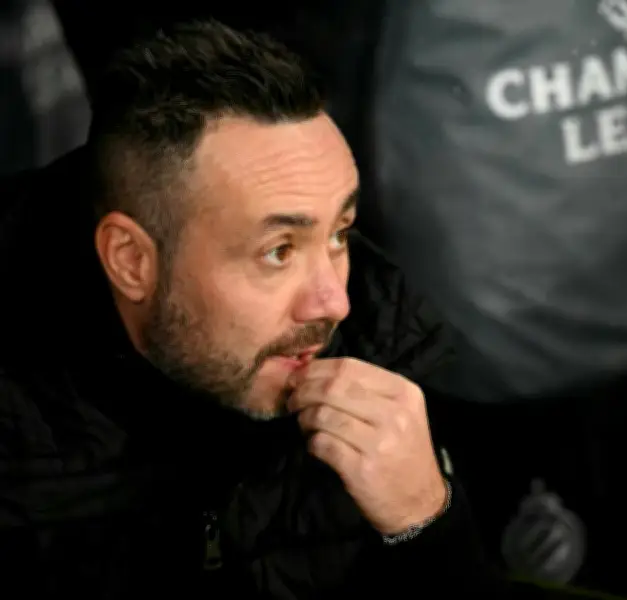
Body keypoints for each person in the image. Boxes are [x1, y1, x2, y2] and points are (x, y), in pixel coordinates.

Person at [0, 19, 542, 600]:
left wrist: (425, 519)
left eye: (339, 233)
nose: (334, 302)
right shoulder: (21, 423)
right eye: (279, 251)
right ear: (131, 261)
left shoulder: (379, 344)